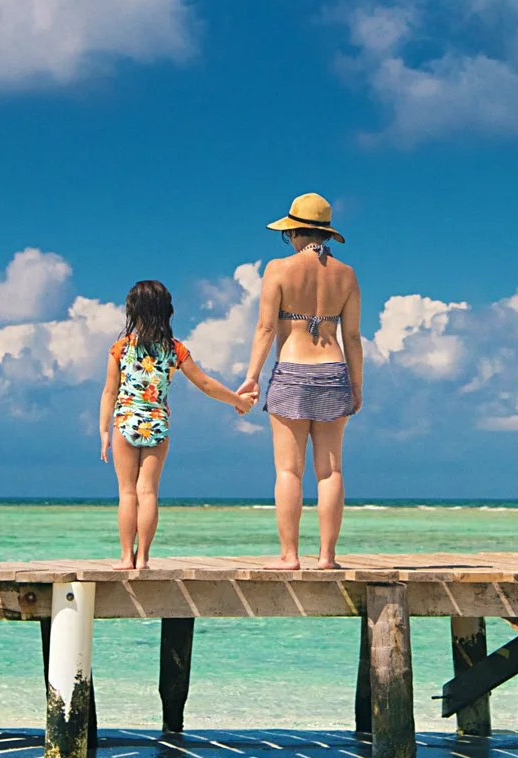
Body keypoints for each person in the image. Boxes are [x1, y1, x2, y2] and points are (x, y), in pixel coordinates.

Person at [236, 192, 362, 570]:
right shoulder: (347, 275)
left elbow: (265, 327)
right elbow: (352, 337)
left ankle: (290, 556)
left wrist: (251, 376)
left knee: (289, 470)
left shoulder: (278, 269)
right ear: (325, 234)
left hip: (291, 371)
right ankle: (327, 557)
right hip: (333, 371)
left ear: (293, 232)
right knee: (331, 471)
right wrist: (357, 385)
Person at [99, 278, 252, 570]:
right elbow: (205, 384)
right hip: (157, 423)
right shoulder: (175, 349)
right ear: (165, 311)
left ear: (133, 311)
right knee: (148, 491)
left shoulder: (120, 349)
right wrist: (238, 400)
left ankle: (124, 558)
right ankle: (143, 557)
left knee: (127, 492)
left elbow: (109, 391)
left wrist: (104, 430)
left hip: (126, 421)